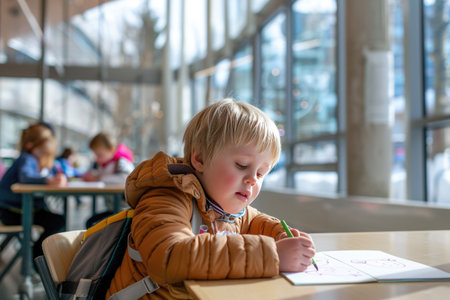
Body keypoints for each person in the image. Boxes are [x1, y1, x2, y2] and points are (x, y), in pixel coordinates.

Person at [107, 99, 316, 299]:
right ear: (200, 159)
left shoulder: (227, 208)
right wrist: (273, 255)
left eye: (261, 174)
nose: (252, 180)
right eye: (242, 165)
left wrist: (282, 236)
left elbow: (256, 222)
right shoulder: (166, 197)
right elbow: (168, 257)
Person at [0, 123, 67, 260]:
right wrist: (49, 180)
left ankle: (37, 255)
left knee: (56, 220)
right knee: (57, 221)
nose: (43, 156)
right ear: (30, 146)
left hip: (17, 210)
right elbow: (26, 177)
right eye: (42, 152)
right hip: (13, 213)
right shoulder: (27, 158)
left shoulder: (31, 158)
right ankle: (37, 256)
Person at [82, 132, 134, 227]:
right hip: (113, 209)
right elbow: (100, 175)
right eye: (95, 155)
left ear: (111, 150)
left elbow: (125, 179)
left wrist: (98, 179)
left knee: (92, 224)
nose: (96, 158)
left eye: (99, 155)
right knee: (91, 223)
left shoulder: (122, 162)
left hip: (124, 210)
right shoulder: (103, 164)